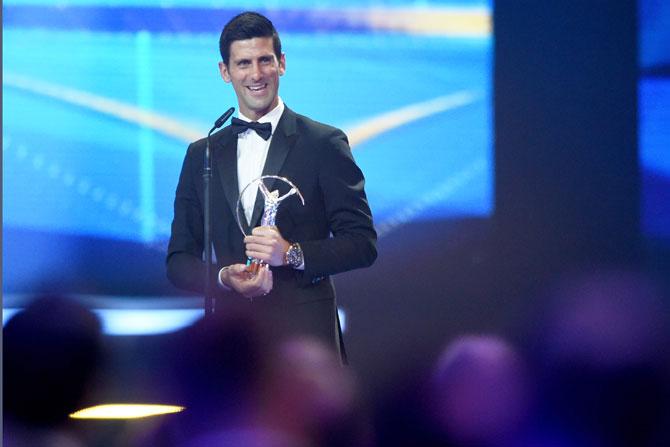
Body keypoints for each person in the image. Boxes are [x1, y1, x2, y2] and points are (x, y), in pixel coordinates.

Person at [166, 11, 377, 361]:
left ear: (281, 64)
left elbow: (362, 243)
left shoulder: (323, 143)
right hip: (234, 344)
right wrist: (223, 276)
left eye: (265, 60)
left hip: (306, 342)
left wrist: (292, 254)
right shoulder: (202, 153)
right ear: (225, 72)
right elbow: (178, 261)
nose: (256, 74)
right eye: (243, 63)